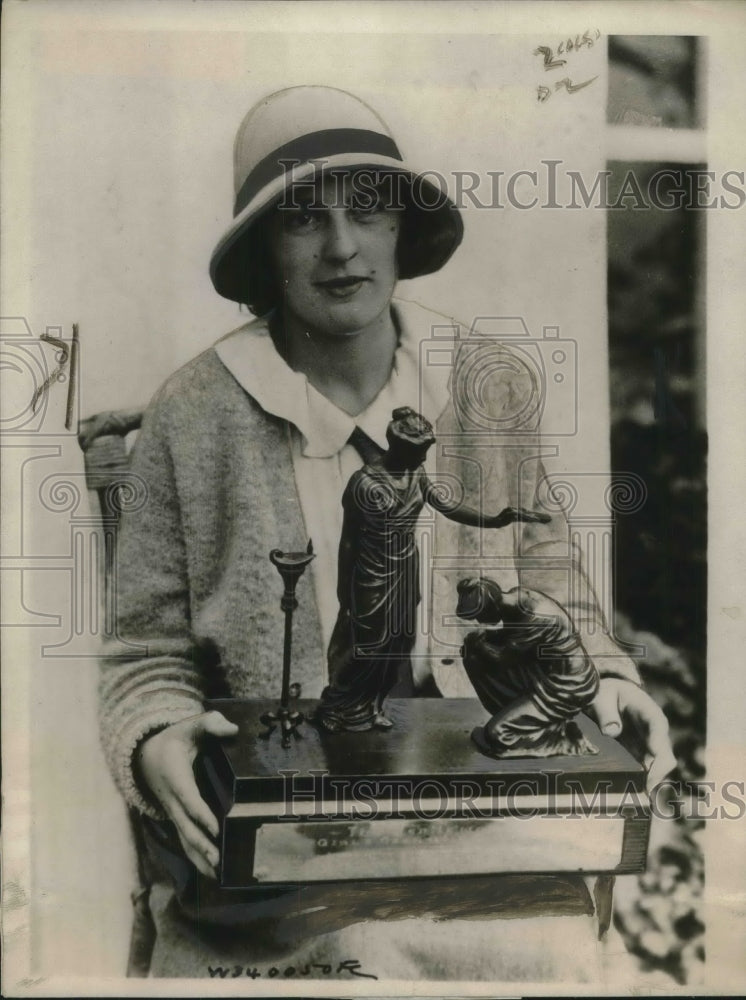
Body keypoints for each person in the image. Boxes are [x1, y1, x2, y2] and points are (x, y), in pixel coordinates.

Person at [99, 85, 676, 979]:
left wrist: (604, 675)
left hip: (481, 842)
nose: (340, 247)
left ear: (402, 229)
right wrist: (157, 736)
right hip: (285, 869)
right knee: (359, 961)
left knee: (547, 959)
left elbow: (551, 576)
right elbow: (145, 653)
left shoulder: (487, 383)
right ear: (265, 250)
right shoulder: (195, 412)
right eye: (302, 221)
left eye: (367, 213)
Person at [318, 406, 550, 732]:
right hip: (370, 576)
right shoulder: (366, 484)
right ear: (400, 448)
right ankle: (338, 705)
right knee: (364, 643)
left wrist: (496, 519)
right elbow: (348, 543)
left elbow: (448, 506)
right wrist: (345, 590)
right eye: (420, 453)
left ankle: (369, 707)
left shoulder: (416, 475)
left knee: (399, 641)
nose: (424, 461)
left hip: (404, 571)